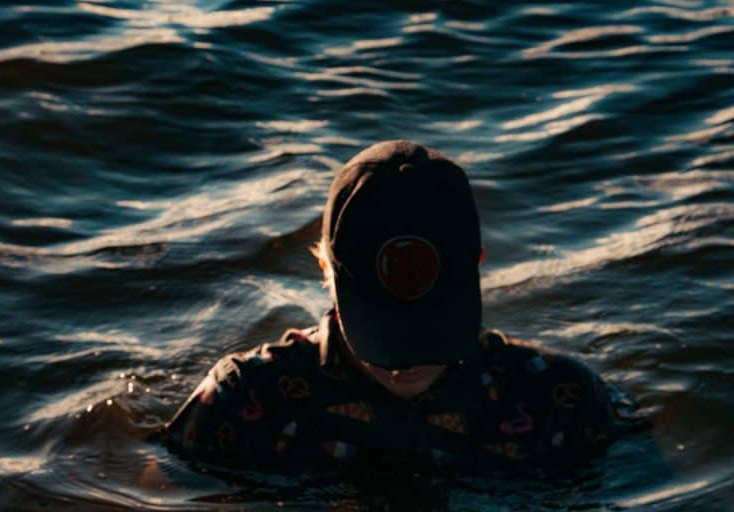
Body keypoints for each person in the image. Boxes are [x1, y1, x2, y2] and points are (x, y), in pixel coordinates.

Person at [164, 140, 640, 470]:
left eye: (428, 325)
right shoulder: (240, 400)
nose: (405, 361)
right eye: (385, 325)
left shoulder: (563, 402)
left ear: (478, 264)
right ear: (324, 269)